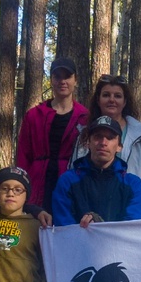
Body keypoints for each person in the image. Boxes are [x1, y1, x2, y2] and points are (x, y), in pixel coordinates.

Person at [71, 73, 141, 204]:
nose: (112, 100)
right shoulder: (84, 135)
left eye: (117, 96)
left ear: (125, 101)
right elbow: (74, 174)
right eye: (106, 95)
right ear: (98, 100)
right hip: (89, 214)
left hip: (132, 212)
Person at [16, 57, 90, 211]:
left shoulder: (85, 118)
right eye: (57, 76)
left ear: (75, 80)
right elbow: (23, 156)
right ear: (51, 80)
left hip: (70, 183)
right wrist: (21, 186)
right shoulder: (34, 115)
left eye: (67, 76)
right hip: (37, 183)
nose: (62, 81)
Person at [52, 116, 141, 226]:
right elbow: (64, 227)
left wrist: (99, 227)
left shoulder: (134, 185)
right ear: (88, 143)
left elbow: (131, 229)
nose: (103, 142)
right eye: (98, 137)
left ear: (119, 147)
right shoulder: (67, 181)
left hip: (118, 243)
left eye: (110, 138)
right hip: (76, 243)